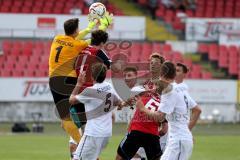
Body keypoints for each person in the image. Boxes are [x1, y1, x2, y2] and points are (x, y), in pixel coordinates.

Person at [49, 15, 113, 159]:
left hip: (53, 79)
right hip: (70, 80)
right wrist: (102, 26)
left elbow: (78, 37)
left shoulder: (57, 38)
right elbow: (94, 42)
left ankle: (79, 146)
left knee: (66, 120)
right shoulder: (78, 45)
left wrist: (90, 27)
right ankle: (82, 146)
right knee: (79, 120)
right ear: (75, 31)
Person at [136, 61, 202, 160]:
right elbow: (197, 110)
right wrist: (187, 130)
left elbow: (160, 116)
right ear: (174, 75)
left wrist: (143, 109)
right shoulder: (180, 90)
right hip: (178, 139)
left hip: (178, 141)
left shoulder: (169, 91)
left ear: (161, 74)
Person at [115, 53, 166, 160]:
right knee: (121, 157)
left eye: (156, 63)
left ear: (162, 66)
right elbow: (134, 96)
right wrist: (123, 104)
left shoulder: (165, 85)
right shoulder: (146, 82)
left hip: (152, 130)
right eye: (151, 63)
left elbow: (167, 106)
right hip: (137, 128)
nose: (152, 65)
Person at [69, 63, 122, 160]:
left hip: (93, 133)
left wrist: (79, 84)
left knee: (76, 158)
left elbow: (71, 100)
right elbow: (118, 102)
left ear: (92, 76)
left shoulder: (90, 91)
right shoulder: (109, 87)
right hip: (106, 134)